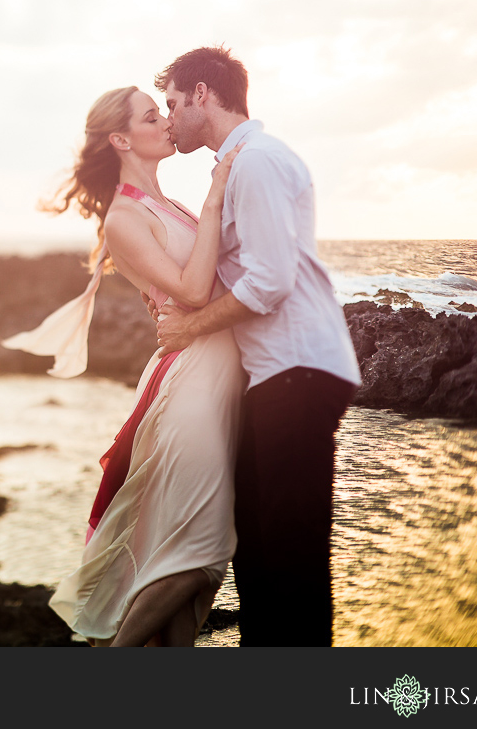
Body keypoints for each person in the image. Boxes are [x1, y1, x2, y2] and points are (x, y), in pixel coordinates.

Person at [2, 85, 246, 646]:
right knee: (202, 549)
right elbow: (192, 286)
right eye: (150, 115)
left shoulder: (166, 205)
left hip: (216, 380)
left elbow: (198, 283)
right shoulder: (124, 218)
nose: (165, 121)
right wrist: (216, 198)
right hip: (190, 385)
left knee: (188, 573)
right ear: (120, 139)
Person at [149, 46, 362, 646]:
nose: (168, 120)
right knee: (258, 551)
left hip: (298, 371)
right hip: (273, 375)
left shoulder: (259, 162)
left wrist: (190, 327)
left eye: (171, 104)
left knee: (288, 557)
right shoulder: (238, 162)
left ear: (201, 95)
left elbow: (269, 280)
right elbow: (241, 271)